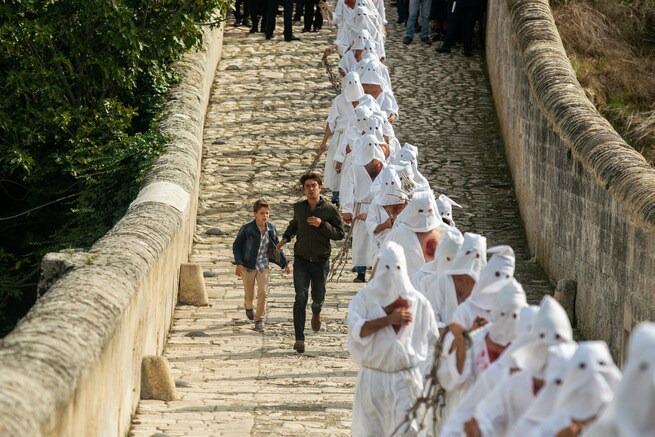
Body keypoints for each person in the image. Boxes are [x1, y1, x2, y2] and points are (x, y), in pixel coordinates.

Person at [348, 242, 438, 436]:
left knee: (409, 430)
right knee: (372, 431)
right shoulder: (365, 299)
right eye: (388, 268)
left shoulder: (419, 302)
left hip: (406, 379)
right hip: (374, 379)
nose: (392, 274)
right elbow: (357, 330)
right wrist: (388, 320)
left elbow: (432, 340)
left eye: (397, 268)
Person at [278, 173, 345, 353]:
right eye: (307, 186)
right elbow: (294, 225)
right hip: (301, 261)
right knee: (300, 297)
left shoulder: (330, 209)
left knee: (317, 298)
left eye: (313, 185)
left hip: (320, 262)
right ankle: (299, 339)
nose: (310, 189)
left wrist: (322, 224)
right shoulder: (299, 208)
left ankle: (316, 312)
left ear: (320, 187)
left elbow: (340, 234)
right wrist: (285, 238)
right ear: (304, 189)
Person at [232, 198, 290, 331]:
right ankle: (248, 306)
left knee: (263, 292)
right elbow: (237, 245)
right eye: (262, 213)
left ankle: (259, 319)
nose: (265, 216)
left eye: (267, 213)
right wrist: (239, 263)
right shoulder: (247, 229)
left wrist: (284, 263)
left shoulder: (271, 228)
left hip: (263, 265)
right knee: (249, 293)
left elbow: (277, 246)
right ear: (255, 214)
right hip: (248, 265)